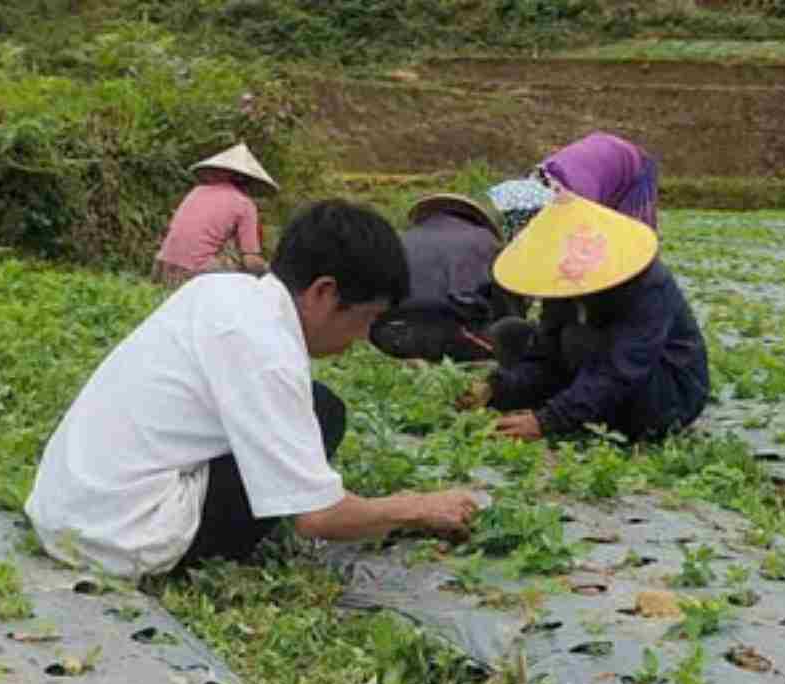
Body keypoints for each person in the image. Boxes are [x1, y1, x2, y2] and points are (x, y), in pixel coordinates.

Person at [27, 200, 483, 578]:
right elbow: (317, 517)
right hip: (117, 538)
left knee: (315, 406)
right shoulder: (265, 349)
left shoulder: (221, 292)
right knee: (321, 416)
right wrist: (417, 508)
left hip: (67, 511)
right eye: (364, 319)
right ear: (324, 293)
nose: (363, 337)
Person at [456, 192, 708, 444]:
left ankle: (577, 412)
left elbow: (621, 368)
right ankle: (573, 408)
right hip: (597, 374)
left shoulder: (646, 284)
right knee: (512, 333)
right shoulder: (562, 284)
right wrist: (498, 387)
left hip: (664, 395)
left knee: (579, 340)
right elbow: (547, 356)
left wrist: (547, 421)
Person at [368, 193, 525, 363]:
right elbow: (508, 299)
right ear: (474, 219)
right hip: (455, 335)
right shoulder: (485, 241)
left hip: (387, 336)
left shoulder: (400, 240)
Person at [489, 131, 659, 241]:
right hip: (597, 157)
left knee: (629, 245)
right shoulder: (535, 184)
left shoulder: (579, 201)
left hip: (629, 164)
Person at [153, 143, 278, 290]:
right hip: (194, 275)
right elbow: (250, 260)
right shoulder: (245, 204)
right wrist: (272, 275)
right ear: (247, 181)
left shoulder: (197, 191)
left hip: (162, 268)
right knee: (237, 252)